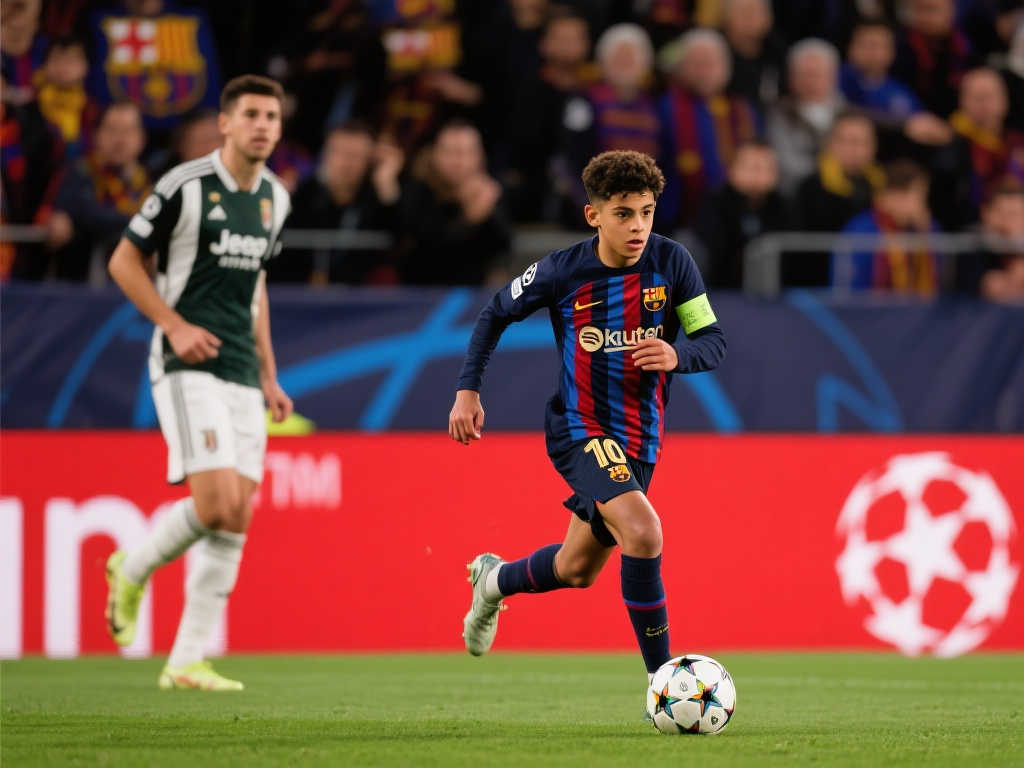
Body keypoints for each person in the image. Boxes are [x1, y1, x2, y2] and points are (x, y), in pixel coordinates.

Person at [449, 150, 726, 693]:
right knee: (643, 532)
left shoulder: (673, 264)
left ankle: (493, 580)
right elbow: (495, 313)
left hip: (641, 439)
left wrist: (678, 354)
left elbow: (712, 340)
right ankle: (663, 683)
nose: (638, 226)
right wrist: (467, 391)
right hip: (580, 429)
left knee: (577, 569)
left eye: (646, 212)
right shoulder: (562, 271)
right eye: (623, 214)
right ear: (593, 215)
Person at [103, 74, 293, 691]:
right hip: (187, 365)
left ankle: (186, 661)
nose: (263, 126)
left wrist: (269, 373)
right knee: (215, 505)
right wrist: (174, 325)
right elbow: (123, 260)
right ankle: (131, 569)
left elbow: (256, 289)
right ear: (226, 123)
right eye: (252, 114)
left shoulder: (276, 198)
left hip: (242, 371)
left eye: (272, 117)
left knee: (236, 516)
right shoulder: (184, 186)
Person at [270, 120, 403, 284]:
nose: (347, 163)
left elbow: (398, 243)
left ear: (369, 160)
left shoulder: (377, 199)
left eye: (356, 155)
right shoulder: (301, 195)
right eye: (339, 153)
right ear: (325, 155)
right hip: (297, 290)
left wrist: (386, 184)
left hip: (359, 293)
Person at [397, 119, 511, 285]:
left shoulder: (490, 191)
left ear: (479, 156)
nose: (457, 162)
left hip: (474, 292)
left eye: (465, 153)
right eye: (449, 152)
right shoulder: (416, 191)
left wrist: (489, 213)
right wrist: (469, 220)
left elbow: (503, 250)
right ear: (434, 154)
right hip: (420, 290)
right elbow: (422, 255)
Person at [47, 101, 150, 282]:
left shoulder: (153, 181)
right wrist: (142, 223)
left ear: (141, 138)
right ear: (96, 135)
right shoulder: (79, 174)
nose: (120, 140)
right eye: (112, 130)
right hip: (81, 286)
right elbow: (88, 215)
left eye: (128, 131)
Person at [693, 139, 790, 289]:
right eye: (753, 168)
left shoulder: (783, 205)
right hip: (717, 289)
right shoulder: (715, 202)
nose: (759, 175)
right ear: (732, 170)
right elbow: (716, 251)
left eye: (767, 168)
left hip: (772, 293)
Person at [832, 159, 940, 295]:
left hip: (917, 306)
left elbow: (937, 281)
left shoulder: (926, 228)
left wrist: (925, 233)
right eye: (918, 196)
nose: (921, 206)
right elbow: (850, 286)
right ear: (891, 196)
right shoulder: (862, 229)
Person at [765, 38, 845, 196]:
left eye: (816, 74)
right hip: (798, 194)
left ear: (833, 76)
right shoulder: (778, 113)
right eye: (804, 74)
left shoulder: (848, 113)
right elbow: (785, 163)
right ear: (791, 77)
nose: (810, 81)